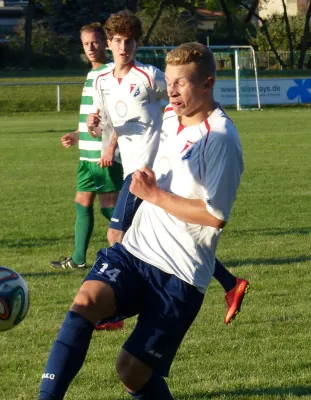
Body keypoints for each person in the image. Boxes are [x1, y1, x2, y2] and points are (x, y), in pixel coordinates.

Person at [38, 42, 244, 400]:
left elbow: (215, 216)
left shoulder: (221, 138)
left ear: (208, 83)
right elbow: (151, 173)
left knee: (131, 371)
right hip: (134, 252)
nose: (173, 89)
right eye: (170, 80)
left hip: (180, 275)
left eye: (183, 82)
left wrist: (156, 196)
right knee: (85, 302)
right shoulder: (168, 117)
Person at [87, 11, 249, 326]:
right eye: (118, 42)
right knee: (135, 233)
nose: (124, 48)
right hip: (133, 172)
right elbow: (108, 124)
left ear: (136, 44)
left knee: (116, 233)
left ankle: (114, 309)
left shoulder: (150, 76)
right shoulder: (102, 80)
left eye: (130, 42)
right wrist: (100, 131)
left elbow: (183, 100)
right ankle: (230, 283)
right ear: (109, 44)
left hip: (147, 170)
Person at [49, 23, 123, 273]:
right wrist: (76, 134)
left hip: (104, 155)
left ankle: (142, 242)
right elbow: (93, 117)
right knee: (82, 202)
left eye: (95, 42)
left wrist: (110, 148)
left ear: (105, 42)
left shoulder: (112, 72)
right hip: (87, 155)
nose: (90, 48)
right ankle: (78, 259)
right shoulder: (92, 74)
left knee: (109, 208)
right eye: (85, 44)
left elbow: (118, 115)